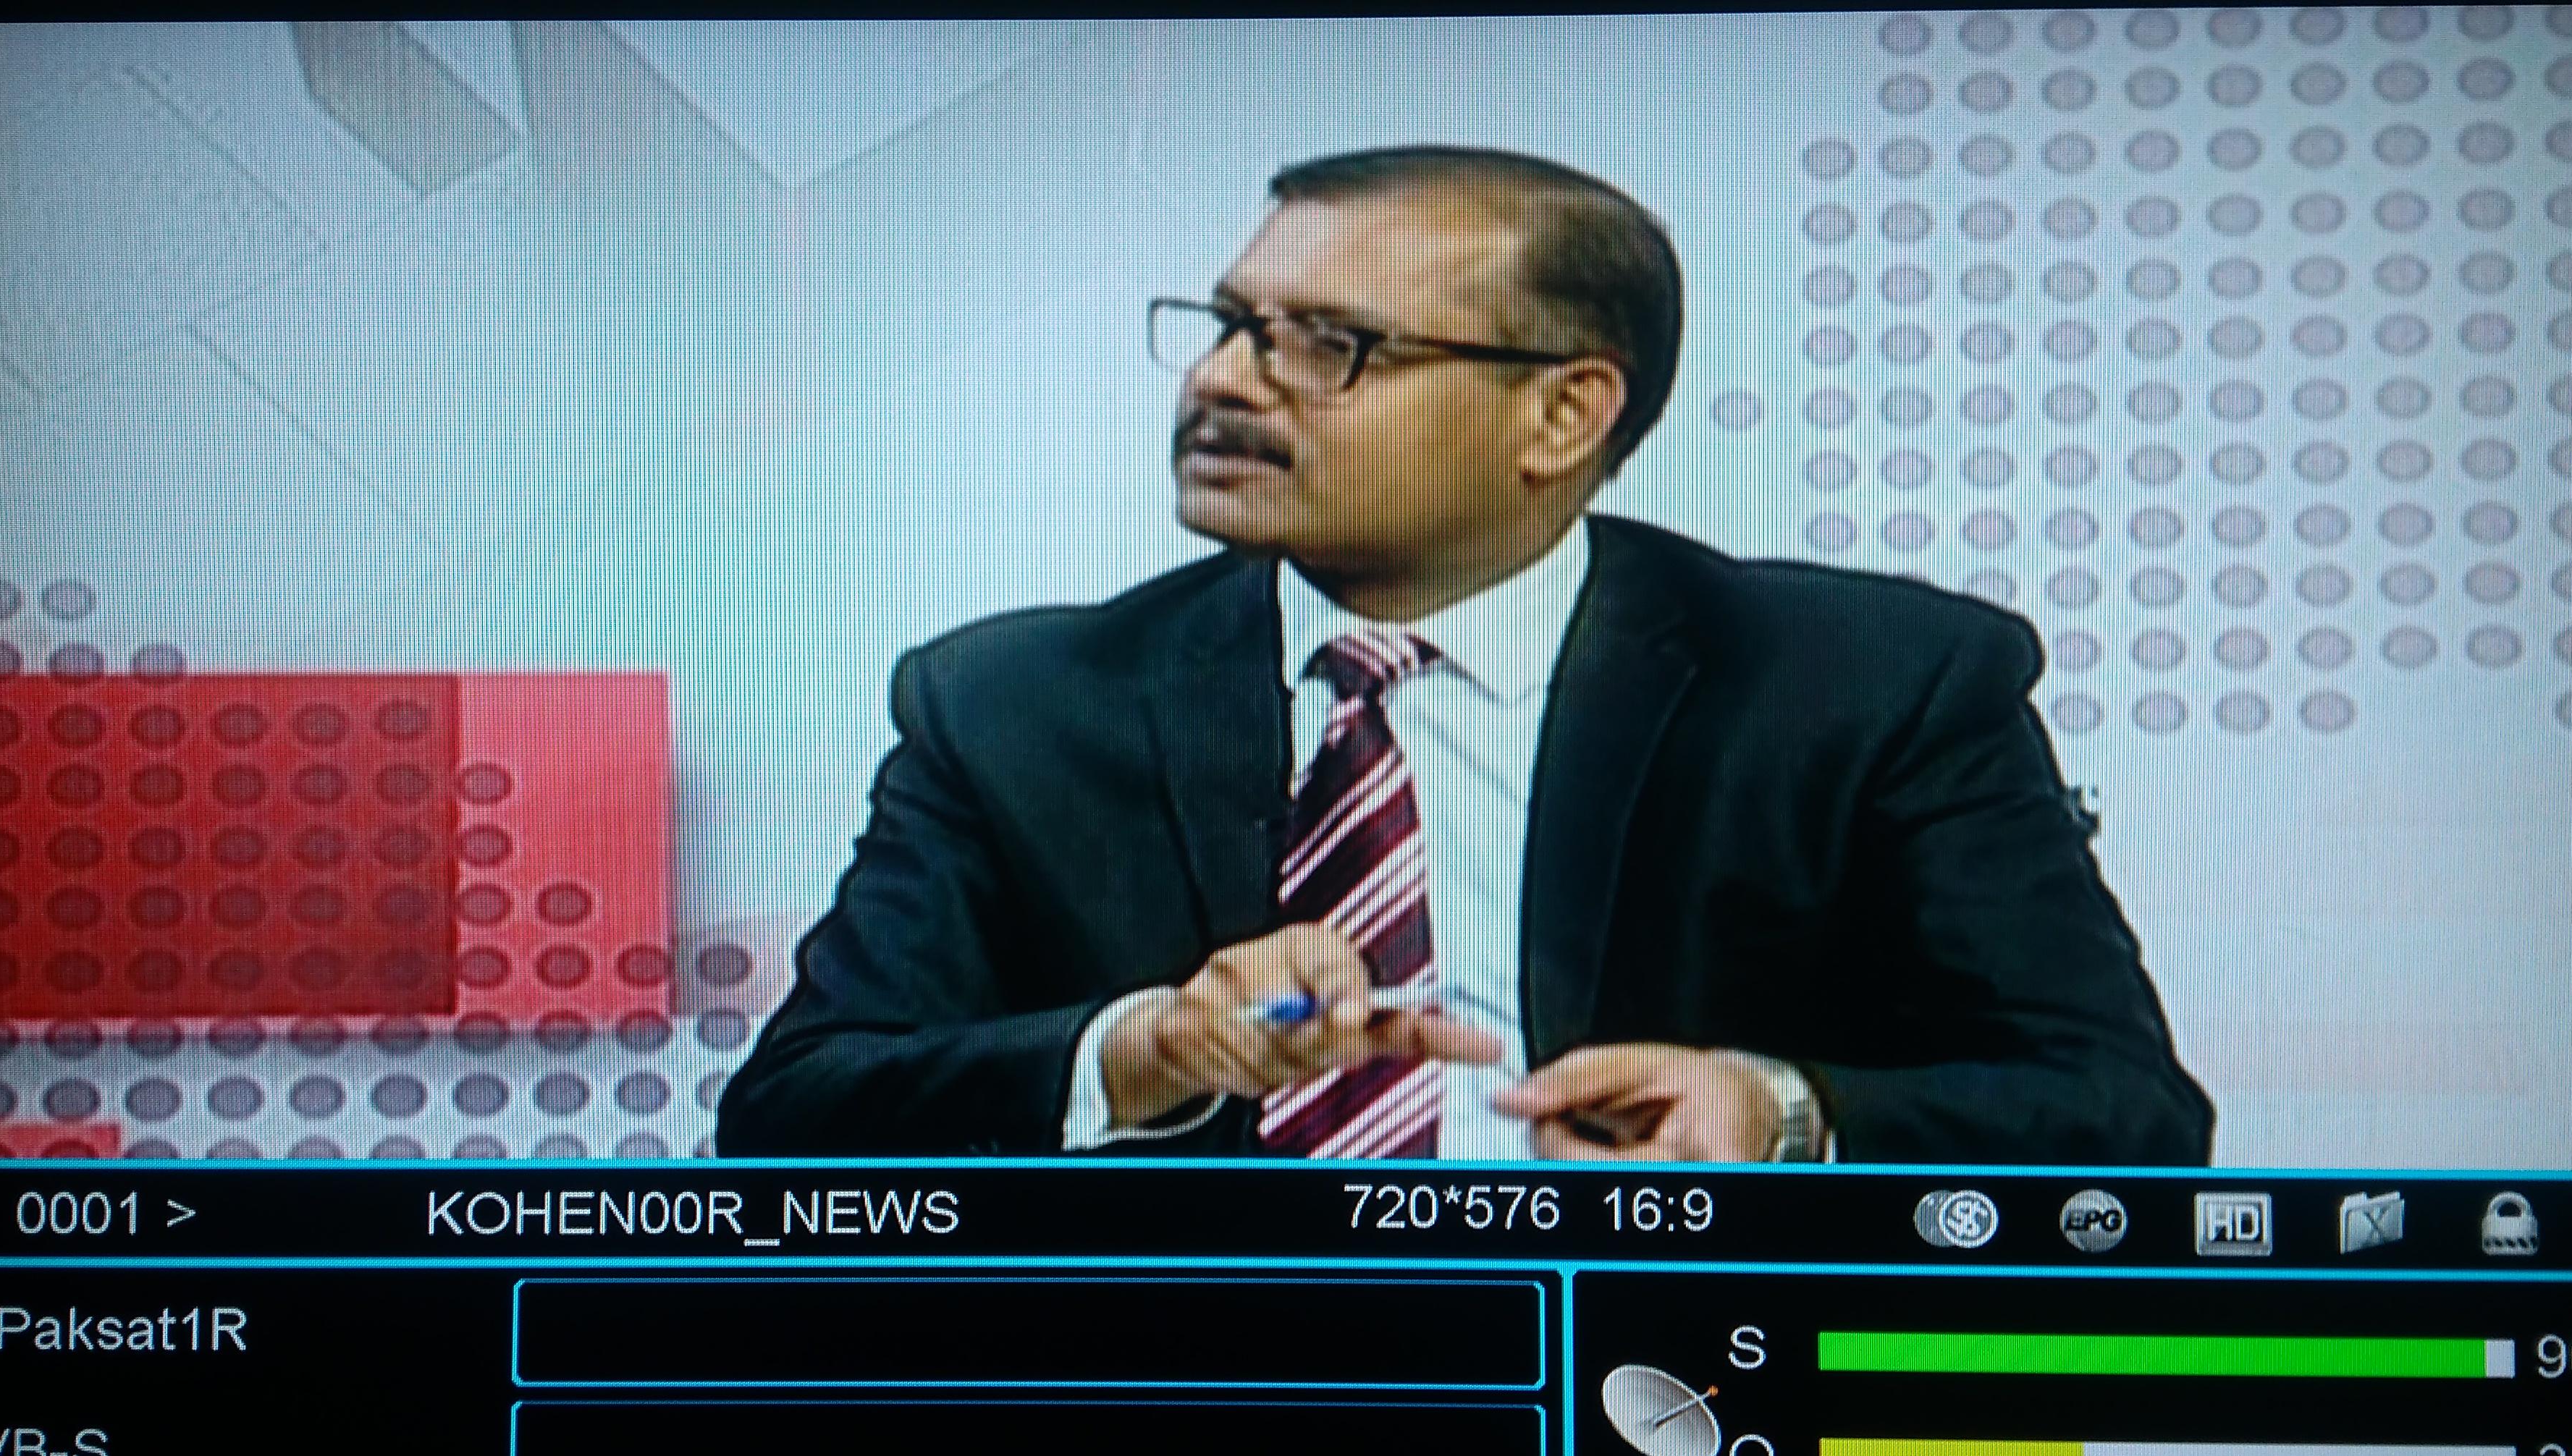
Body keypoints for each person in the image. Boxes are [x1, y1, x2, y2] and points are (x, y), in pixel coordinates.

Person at [717, 145, 2212, 1164]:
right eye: (1229, 326)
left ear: (1561, 413)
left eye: (1330, 345)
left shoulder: (1869, 687)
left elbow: (2118, 1113)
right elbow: (794, 1118)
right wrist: (1146, 1052)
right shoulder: (1014, 705)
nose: (1224, 381)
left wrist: (1773, 1113)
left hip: (1669, 1395)